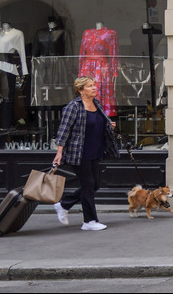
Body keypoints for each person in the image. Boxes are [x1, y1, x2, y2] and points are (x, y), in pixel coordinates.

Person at [51, 76, 120, 231]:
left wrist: (109, 125)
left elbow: (98, 124)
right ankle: (89, 221)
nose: (94, 88)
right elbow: (63, 131)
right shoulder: (73, 107)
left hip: (95, 150)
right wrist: (59, 153)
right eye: (89, 86)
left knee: (95, 184)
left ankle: (63, 204)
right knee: (88, 184)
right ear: (81, 90)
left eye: (94, 85)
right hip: (79, 152)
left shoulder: (96, 104)